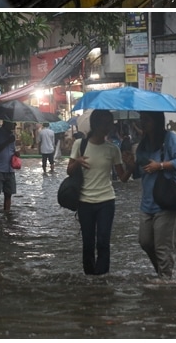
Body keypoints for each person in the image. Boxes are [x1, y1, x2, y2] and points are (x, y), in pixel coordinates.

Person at [67, 110, 128, 275]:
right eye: (106, 122)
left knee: (103, 242)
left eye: (110, 122)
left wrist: (132, 165)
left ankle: (101, 279)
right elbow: (69, 171)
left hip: (106, 201)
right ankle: (89, 280)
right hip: (85, 201)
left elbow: (122, 177)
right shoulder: (80, 144)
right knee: (88, 243)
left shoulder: (113, 149)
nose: (109, 126)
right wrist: (78, 162)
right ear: (96, 124)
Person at [134, 110, 176, 278]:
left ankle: (165, 284)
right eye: (141, 119)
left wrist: (160, 166)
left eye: (147, 119)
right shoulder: (143, 143)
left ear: (156, 121)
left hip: (166, 201)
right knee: (145, 242)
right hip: (147, 202)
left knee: (163, 249)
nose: (143, 122)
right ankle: (164, 274)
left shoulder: (169, 138)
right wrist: (132, 164)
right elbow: (139, 172)